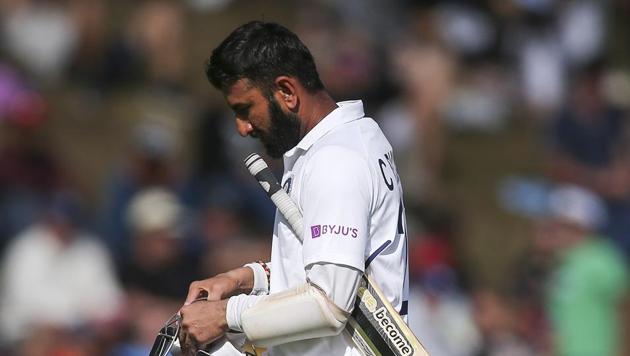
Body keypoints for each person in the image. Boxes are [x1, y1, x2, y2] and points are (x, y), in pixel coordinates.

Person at [178, 21, 409, 356]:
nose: (242, 128)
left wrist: (226, 315)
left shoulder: (336, 159)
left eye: (245, 109)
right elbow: (331, 265)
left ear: (286, 91)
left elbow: (329, 304)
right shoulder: (351, 139)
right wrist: (245, 279)